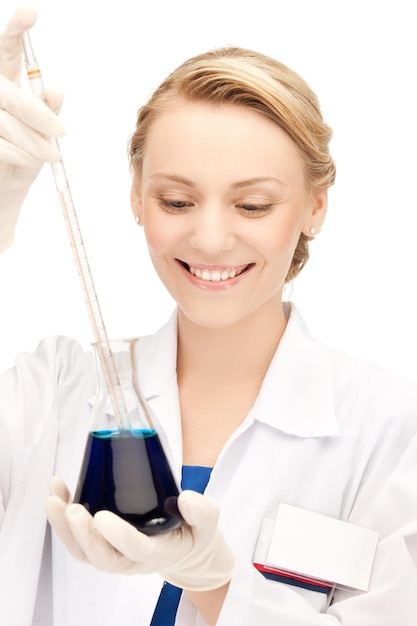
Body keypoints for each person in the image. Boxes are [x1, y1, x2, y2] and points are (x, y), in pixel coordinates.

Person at [1, 8, 417, 626]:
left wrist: (219, 585)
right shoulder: (51, 391)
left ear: (315, 208)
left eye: (253, 204)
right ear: (136, 198)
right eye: (176, 200)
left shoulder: (389, 429)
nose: (212, 237)